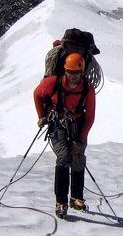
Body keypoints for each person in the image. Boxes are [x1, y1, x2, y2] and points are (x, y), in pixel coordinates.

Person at [34, 53, 96, 219]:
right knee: (63, 157)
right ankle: (61, 201)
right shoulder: (53, 82)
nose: (72, 76)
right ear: (64, 70)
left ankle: (76, 197)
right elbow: (37, 94)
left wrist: (81, 140)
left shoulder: (88, 88)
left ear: (82, 71)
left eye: (75, 73)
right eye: (69, 72)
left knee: (78, 157)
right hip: (58, 124)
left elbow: (89, 117)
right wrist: (41, 116)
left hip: (77, 124)